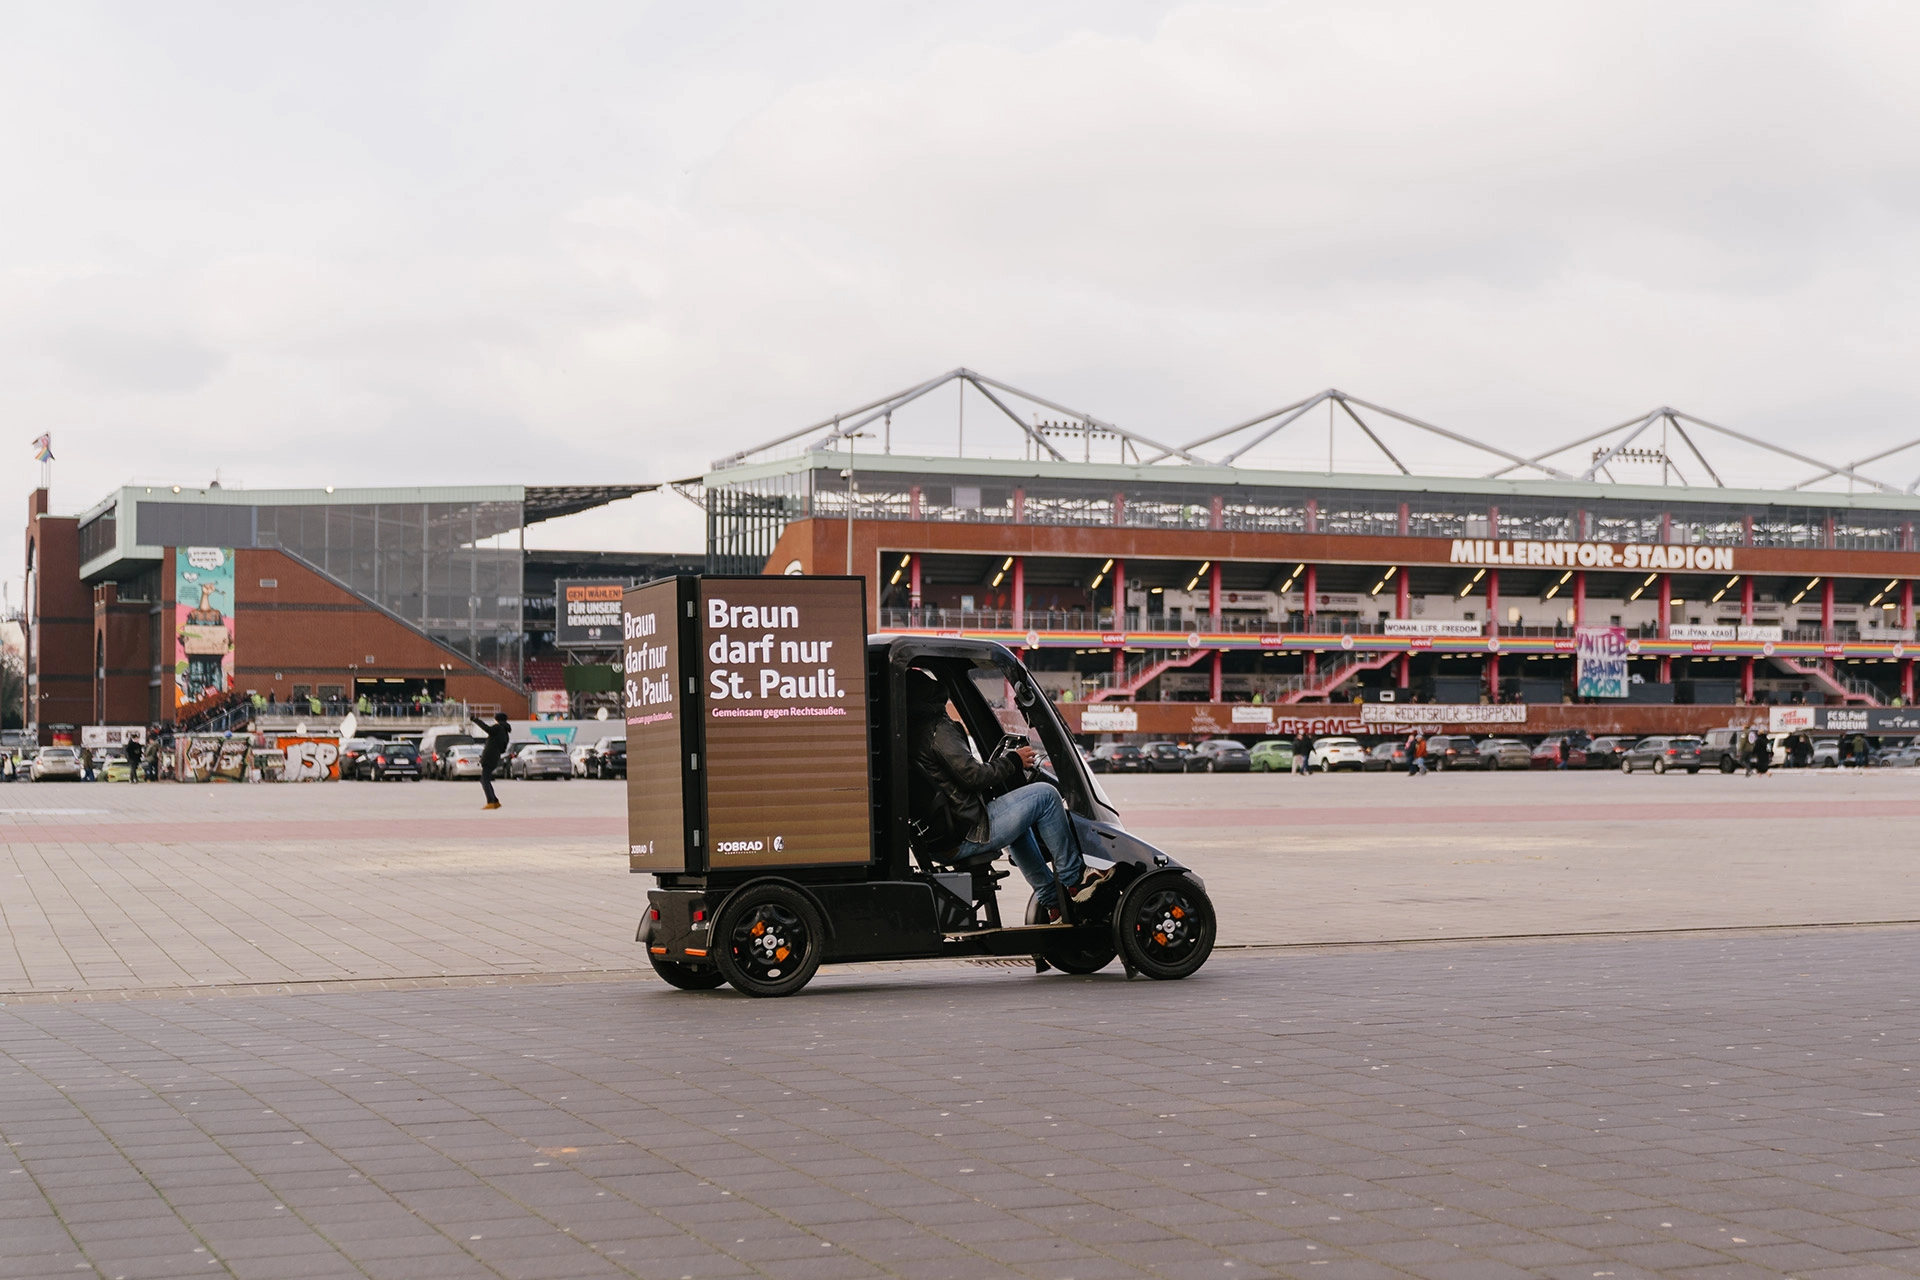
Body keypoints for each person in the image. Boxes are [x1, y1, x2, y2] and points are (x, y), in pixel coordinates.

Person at [902, 674, 1104, 921]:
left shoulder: (909, 732)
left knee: (1019, 825)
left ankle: (1053, 902)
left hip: (941, 836)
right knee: (1047, 796)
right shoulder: (937, 730)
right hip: (968, 831)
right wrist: (1014, 761)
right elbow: (972, 776)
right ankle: (1075, 880)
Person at [473, 712, 511, 809]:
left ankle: (491, 801)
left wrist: (476, 720)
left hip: (489, 756)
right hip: (495, 757)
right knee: (486, 779)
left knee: (484, 780)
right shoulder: (505, 733)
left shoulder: (498, 728)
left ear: (497, 720)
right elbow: (503, 749)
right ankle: (495, 800)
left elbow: (487, 729)